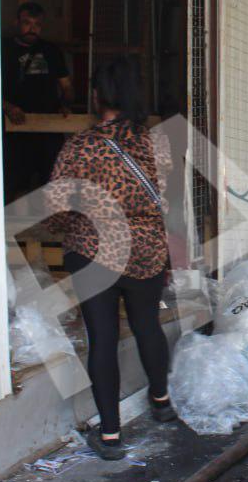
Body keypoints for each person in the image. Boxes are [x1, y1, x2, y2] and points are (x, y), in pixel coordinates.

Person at [46, 57, 174, 461]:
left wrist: (67, 228)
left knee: (102, 338)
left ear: (98, 95)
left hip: (93, 251)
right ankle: (162, 402)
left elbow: (56, 208)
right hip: (146, 250)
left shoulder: (80, 145)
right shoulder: (157, 143)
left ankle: (111, 435)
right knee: (147, 324)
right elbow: (166, 201)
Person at [2, 2, 73, 200]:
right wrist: (7, 107)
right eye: (27, 23)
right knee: (15, 184)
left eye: (37, 24)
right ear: (16, 22)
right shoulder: (2, 49)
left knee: (52, 183)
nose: (32, 29)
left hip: (48, 130)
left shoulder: (51, 51)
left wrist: (65, 105)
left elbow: (67, 87)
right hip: (14, 130)